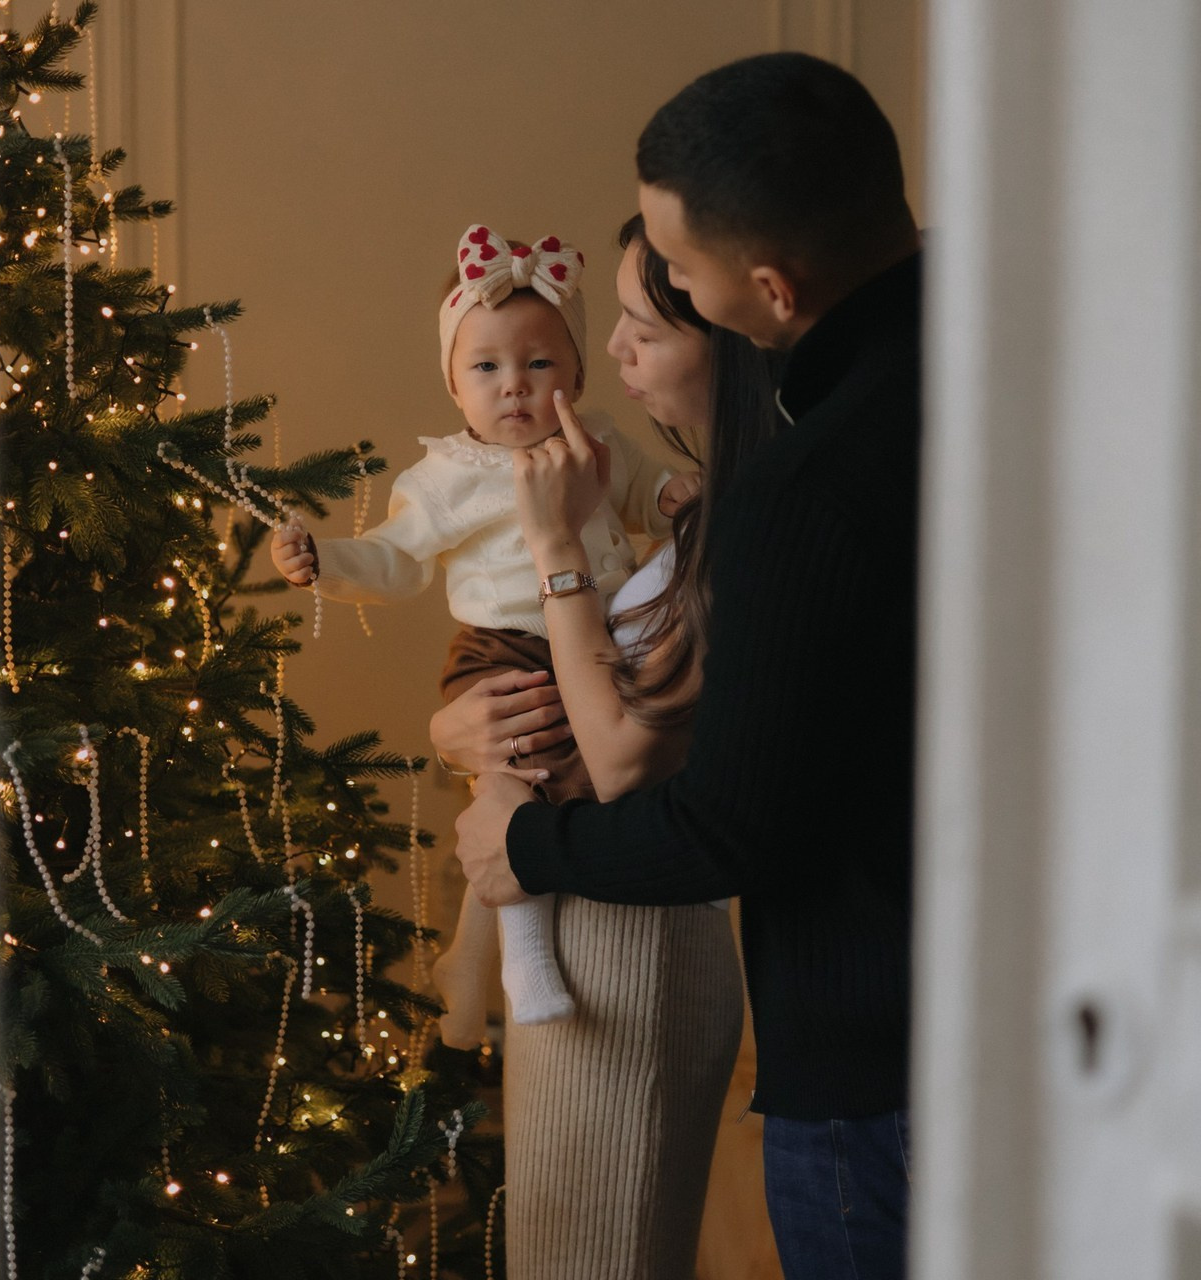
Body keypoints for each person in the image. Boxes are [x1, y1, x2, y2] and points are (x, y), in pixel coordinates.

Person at [453, 52, 923, 1280]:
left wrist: (519, 845)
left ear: (761, 293)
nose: (608, 350)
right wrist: (469, 718)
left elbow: (705, 811)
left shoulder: (795, 492)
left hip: (863, 1049)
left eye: (674, 283)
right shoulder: (995, 378)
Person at [431, 214, 779, 1279]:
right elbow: (569, 697)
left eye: (639, 325)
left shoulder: (740, 516)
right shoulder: (690, 503)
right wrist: (458, 723)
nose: (612, 353)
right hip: (586, 943)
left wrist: (550, 549)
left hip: (630, 955)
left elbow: (624, 752)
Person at [270, 222, 693, 1037]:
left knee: (590, 785)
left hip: (598, 637)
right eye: (487, 368)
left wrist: (680, 495)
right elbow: (396, 560)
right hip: (499, 652)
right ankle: (520, 957)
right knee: (511, 782)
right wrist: (325, 559)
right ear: (454, 386)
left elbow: (646, 494)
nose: (515, 387)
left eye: (539, 363)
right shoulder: (444, 480)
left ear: (575, 369)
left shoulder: (598, 438)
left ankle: (468, 953)